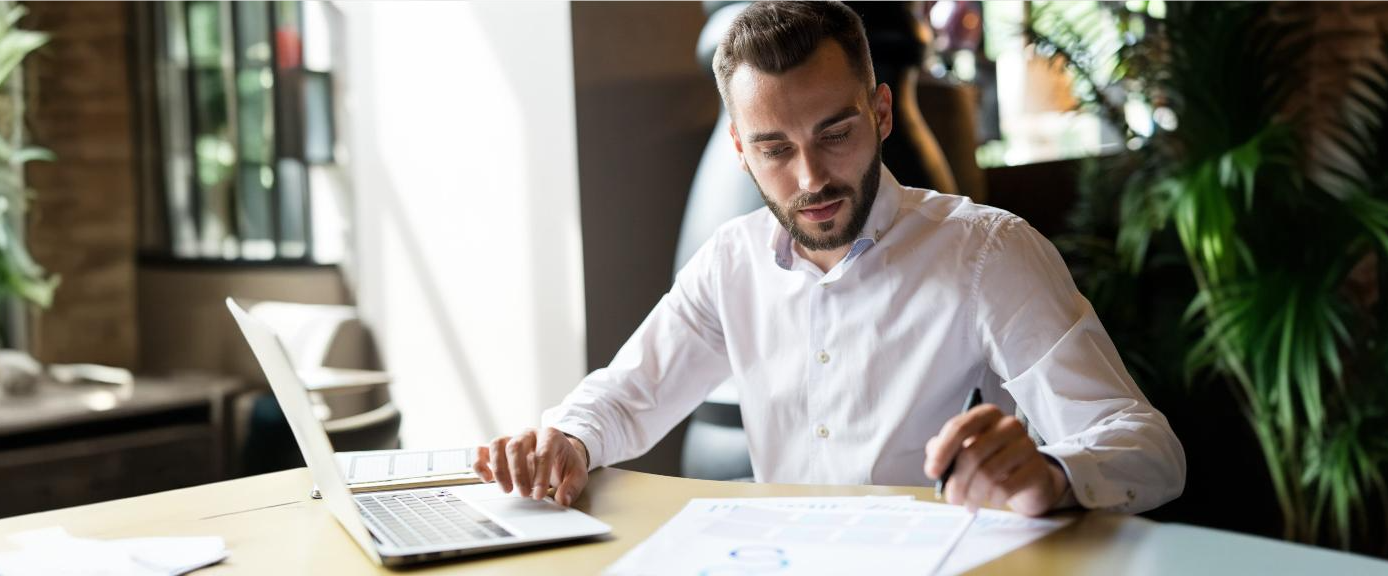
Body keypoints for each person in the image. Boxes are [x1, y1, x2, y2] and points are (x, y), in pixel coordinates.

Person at [472, 0, 1185, 516]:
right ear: (740, 150)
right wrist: (565, 439)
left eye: (835, 133)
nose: (810, 178)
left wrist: (1051, 473)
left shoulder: (988, 252)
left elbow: (1148, 450)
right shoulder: (730, 263)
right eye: (775, 149)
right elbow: (628, 394)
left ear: (881, 113)